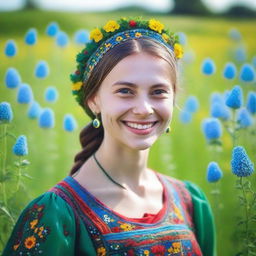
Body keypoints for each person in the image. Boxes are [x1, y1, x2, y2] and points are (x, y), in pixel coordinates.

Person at [3, 17, 216, 256]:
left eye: (158, 92)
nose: (144, 108)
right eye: (125, 91)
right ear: (94, 99)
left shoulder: (191, 202)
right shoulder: (56, 214)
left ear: (173, 98)